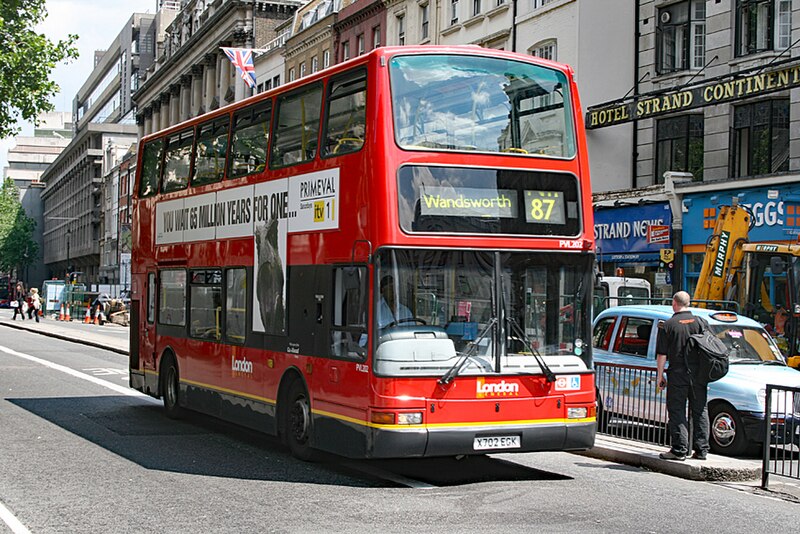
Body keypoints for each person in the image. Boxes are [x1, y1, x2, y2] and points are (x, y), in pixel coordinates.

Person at [655, 291, 709, 461]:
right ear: (688, 303)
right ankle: (701, 450)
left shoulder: (668, 325)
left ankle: (679, 449)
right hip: (698, 374)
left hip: (678, 373)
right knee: (700, 410)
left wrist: (660, 376)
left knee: (677, 410)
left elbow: (662, 354)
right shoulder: (701, 322)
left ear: (674, 303)